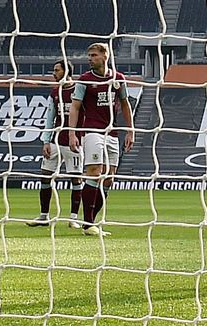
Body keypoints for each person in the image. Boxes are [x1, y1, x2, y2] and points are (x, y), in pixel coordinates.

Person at [66, 42, 134, 237]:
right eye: (89, 55)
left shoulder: (118, 78)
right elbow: (75, 107)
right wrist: (72, 133)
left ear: (105, 56)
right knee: (94, 173)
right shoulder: (85, 79)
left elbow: (125, 104)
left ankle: (90, 221)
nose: (90, 59)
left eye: (94, 55)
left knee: (109, 179)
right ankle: (88, 224)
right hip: (92, 131)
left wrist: (130, 131)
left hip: (112, 133)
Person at [27, 59, 84, 228]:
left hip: (74, 142)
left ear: (67, 71)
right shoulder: (55, 92)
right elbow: (50, 117)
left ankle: (73, 218)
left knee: (76, 179)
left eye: (57, 70)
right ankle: (44, 216)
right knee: (45, 175)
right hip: (55, 141)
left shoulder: (79, 89)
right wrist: (46, 141)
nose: (54, 73)